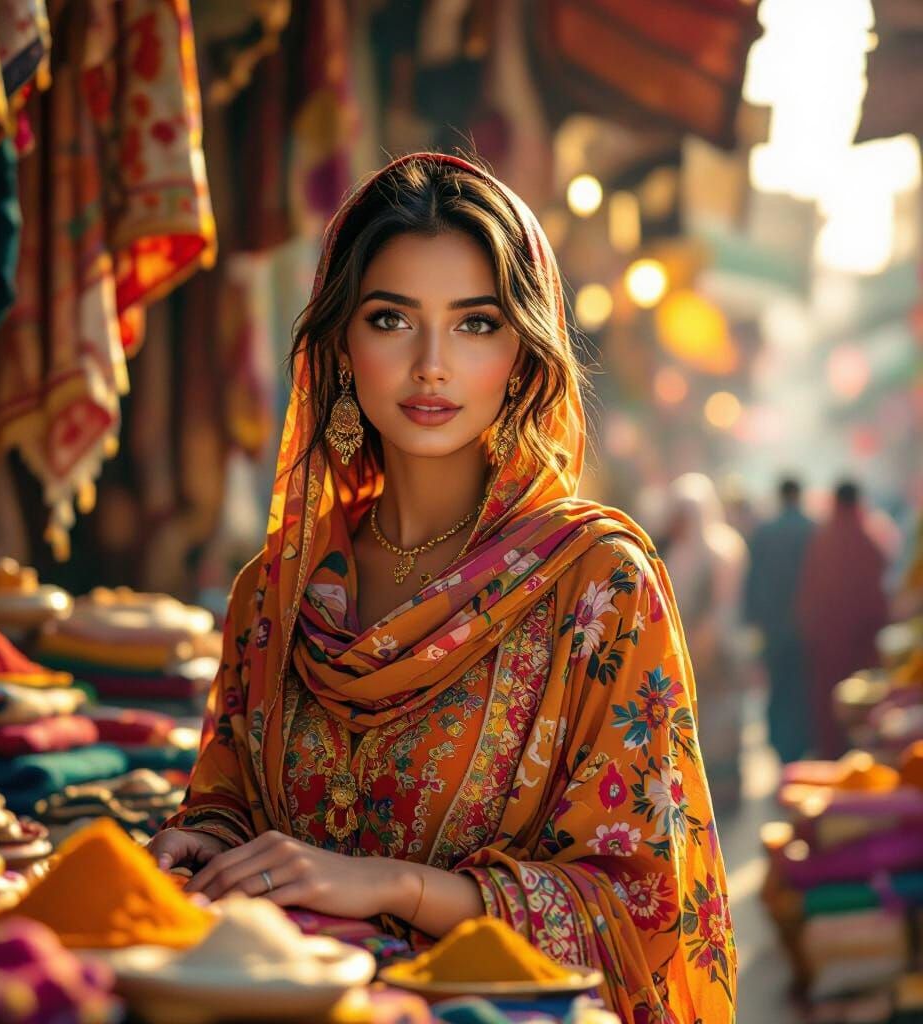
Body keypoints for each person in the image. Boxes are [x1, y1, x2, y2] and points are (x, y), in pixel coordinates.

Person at [149, 153, 735, 1023]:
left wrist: (391, 887)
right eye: (391, 319)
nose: (431, 364)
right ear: (343, 345)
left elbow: (644, 908)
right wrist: (210, 845)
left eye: (474, 324)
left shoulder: (599, 588)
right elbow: (234, 799)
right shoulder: (274, 594)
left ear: (523, 353)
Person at [660, 474, 748, 814]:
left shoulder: (721, 548)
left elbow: (723, 604)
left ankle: (724, 799)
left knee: (722, 724)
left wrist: (706, 638)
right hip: (684, 650)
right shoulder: (675, 551)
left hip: (717, 652)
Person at [797, 480, 889, 759]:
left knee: (828, 702)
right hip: (863, 644)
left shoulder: (823, 540)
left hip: (828, 643)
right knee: (862, 705)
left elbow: (809, 590)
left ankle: (832, 755)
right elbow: (879, 595)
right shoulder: (870, 539)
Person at [744, 478, 815, 764]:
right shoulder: (813, 530)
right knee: (800, 687)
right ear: (800, 495)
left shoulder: (764, 532)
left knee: (776, 687)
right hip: (804, 627)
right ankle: (798, 747)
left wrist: (754, 621)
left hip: (773, 627)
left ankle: (780, 747)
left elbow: (753, 581)